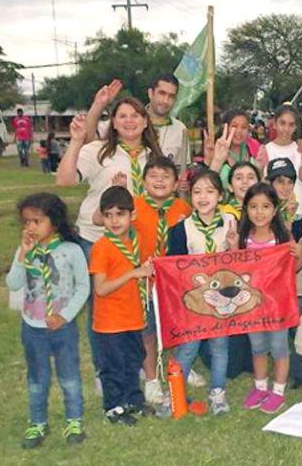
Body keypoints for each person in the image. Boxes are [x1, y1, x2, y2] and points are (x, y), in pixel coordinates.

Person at [56, 97, 161, 386]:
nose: (129, 120)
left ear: (144, 120)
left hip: (138, 241)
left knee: (140, 305)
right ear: (112, 122)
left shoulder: (152, 154)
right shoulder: (98, 151)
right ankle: (105, 369)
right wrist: (76, 142)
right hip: (98, 240)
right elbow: (64, 180)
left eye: (135, 115)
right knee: (103, 308)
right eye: (122, 115)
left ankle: (138, 362)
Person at [5, 193, 89, 449]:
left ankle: (74, 420)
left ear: (54, 222)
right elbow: (13, 283)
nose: (30, 227)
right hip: (33, 328)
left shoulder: (71, 251)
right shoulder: (26, 251)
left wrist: (64, 316)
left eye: (36, 221)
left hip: (63, 328)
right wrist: (23, 257)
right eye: (26, 222)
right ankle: (38, 422)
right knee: (37, 379)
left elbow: (83, 287)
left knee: (70, 377)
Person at [166, 167, 239, 416]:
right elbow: (174, 267)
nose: (203, 197)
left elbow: (240, 262)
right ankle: (173, 393)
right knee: (188, 348)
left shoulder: (230, 223)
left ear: (220, 195)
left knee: (220, 347)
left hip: (222, 300)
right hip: (194, 300)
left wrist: (234, 245)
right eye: (197, 191)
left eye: (210, 191)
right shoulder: (182, 228)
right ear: (190, 196)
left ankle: (218, 391)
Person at [87, 186, 153, 425]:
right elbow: (101, 289)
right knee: (113, 366)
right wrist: (132, 274)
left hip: (133, 316)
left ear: (132, 216)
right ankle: (113, 407)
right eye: (108, 215)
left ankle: (133, 399)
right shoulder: (102, 248)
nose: (114, 220)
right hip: (110, 322)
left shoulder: (136, 239)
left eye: (120, 214)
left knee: (134, 360)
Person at [131, 156, 191, 405]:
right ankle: (152, 378)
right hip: (145, 282)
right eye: (153, 176)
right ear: (143, 181)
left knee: (177, 326)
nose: (159, 181)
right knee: (148, 331)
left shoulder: (182, 209)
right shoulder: (133, 205)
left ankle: (181, 364)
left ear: (176, 183)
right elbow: (101, 219)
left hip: (174, 282)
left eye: (165, 176)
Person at [238, 183, 299, 414]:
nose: (259, 212)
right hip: (252, 306)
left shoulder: (282, 237)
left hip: (278, 306)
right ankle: (261, 386)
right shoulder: (244, 239)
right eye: (253, 206)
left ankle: (278, 391)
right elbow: (235, 269)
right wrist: (233, 246)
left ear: (275, 210)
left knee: (279, 348)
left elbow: (294, 268)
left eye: (265, 206)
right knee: (258, 347)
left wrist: (299, 253)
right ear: (246, 209)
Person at [258, 105, 302, 239]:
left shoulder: (300, 150)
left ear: (296, 127)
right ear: (275, 124)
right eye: (282, 123)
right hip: (272, 216)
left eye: (291, 125)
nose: (286, 129)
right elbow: (261, 183)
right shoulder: (265, 150)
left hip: (298, 213)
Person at [207, 110, 262, 190]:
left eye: (244, 127)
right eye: (234, 126)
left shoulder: (254, 151)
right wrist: (217, 161)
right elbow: (207, 186)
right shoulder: (215, 151)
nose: (239, 131)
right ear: (225, 128)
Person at [266, 158, 301, 233]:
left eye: (290, 182)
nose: (286, 187)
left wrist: (288, 215)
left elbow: (285, 237)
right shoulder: (260, 202)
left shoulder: (289, 202)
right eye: (280, 182)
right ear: (269, 183)